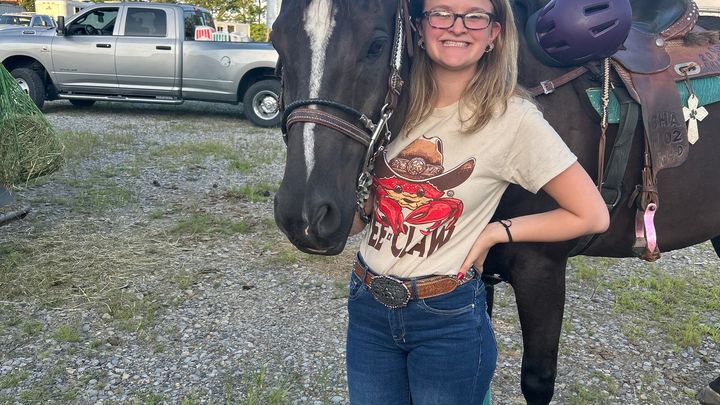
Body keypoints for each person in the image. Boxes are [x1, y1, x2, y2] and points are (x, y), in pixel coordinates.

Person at [346, 0, 610, 403]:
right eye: (441, 13)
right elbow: (361, 217)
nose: (457, 26)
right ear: (419, 28)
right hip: (367, 306)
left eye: (475, 16)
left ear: (493, 34)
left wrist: (495, 232)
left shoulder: (513, 118)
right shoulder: (393, 107)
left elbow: (591, 214)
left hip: (445, 318)